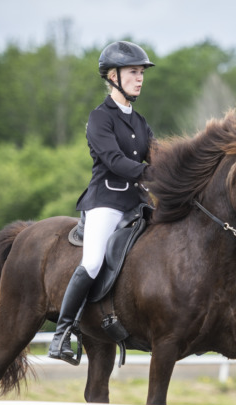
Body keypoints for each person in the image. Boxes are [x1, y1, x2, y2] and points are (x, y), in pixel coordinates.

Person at [48, 41, 156, 365]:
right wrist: (150, 172)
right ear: (113, 76)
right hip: (106, 201)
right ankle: (62, 334)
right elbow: (114, 160)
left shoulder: (140, 122)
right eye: (133, 72)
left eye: (141, 72)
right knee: (93, 261)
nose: (140, 78)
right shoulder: (99, 118)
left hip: (136, 203)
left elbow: (155, 156)